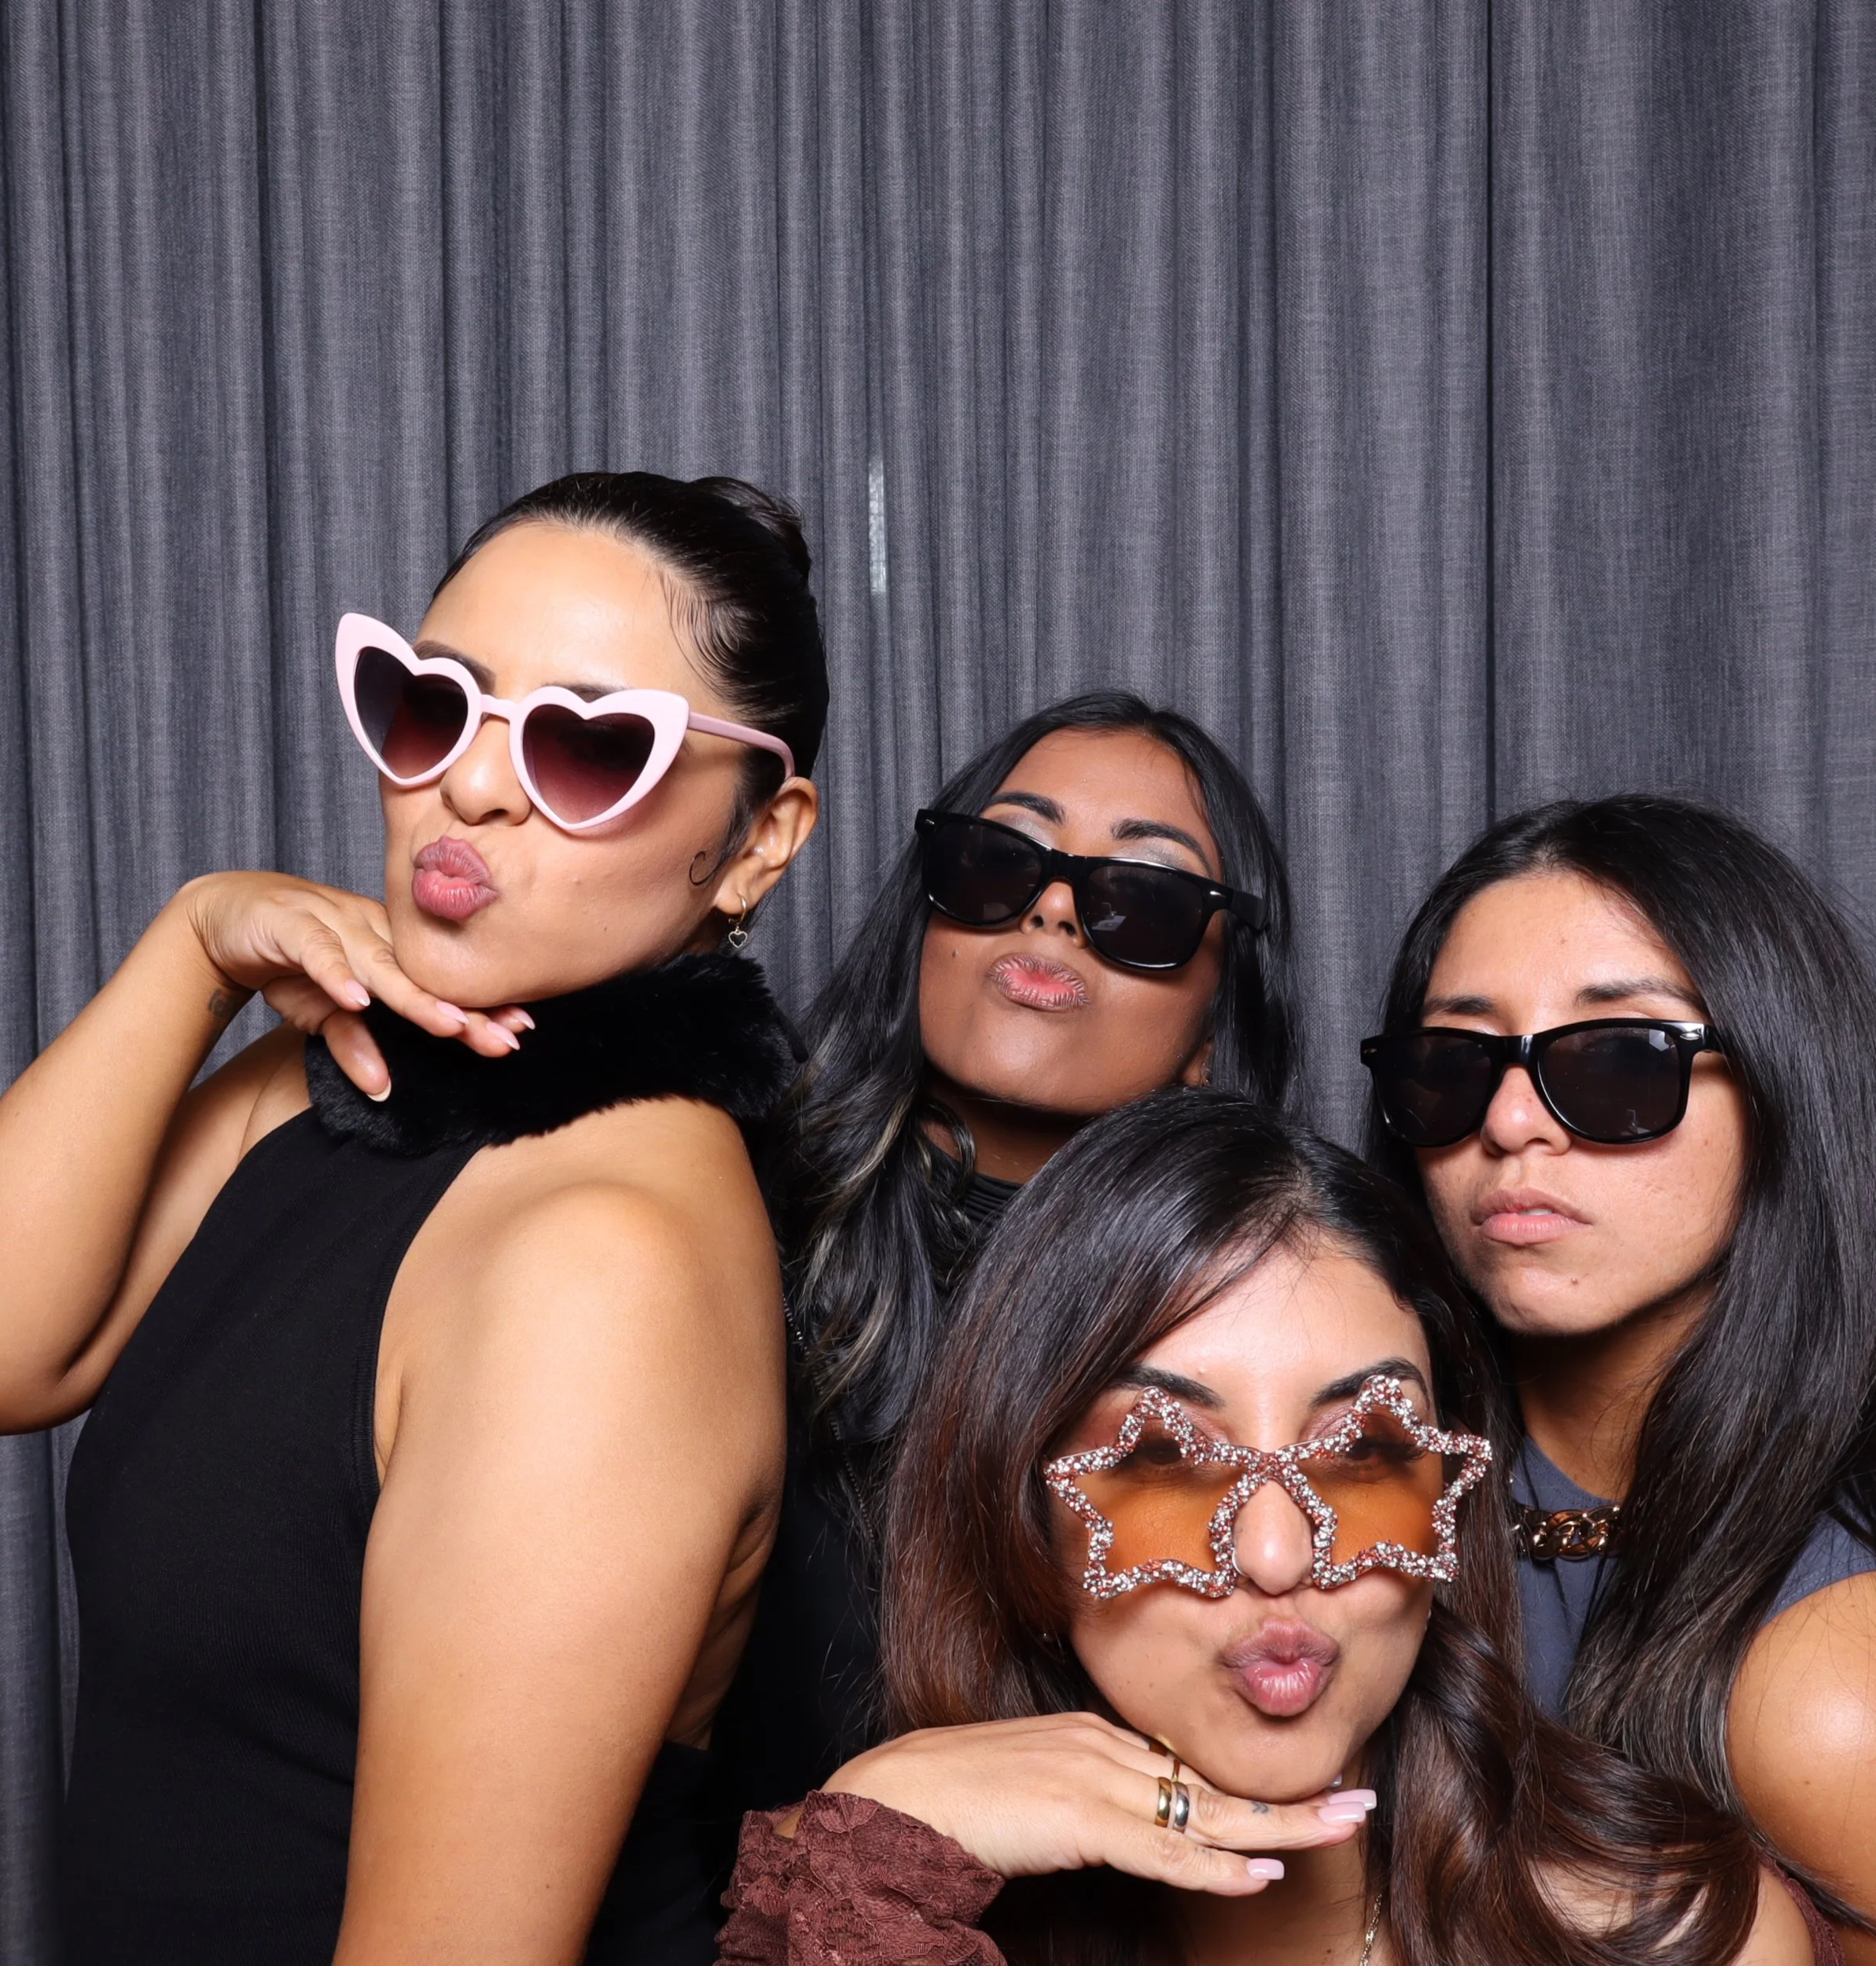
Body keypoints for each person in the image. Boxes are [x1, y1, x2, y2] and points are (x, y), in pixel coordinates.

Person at [0, 471, 825, 1964]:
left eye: (589, 745)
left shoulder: (606, 1264)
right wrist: (196, 941)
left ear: (762, 838)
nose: (467, 784)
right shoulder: (324, 1075)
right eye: (432, 703)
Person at [719, 1092, 1823, 1965]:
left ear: (1446, 1487)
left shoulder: (1672, 1938)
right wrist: (875, 1855)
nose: (1280, 1557)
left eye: (1362, 1452)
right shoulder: (874, 1902)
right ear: (1023, 1509)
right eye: (1163, 1461)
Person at [710, 694, 1298, 1820]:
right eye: (999, 861)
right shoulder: (719, 1212)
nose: (1056, 912)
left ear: (1213, 1036)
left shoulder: (1266, 1331)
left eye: (1146, 899)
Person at [1359, 794, 1876, 1953]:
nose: (1509, 1122)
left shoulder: (1839, 1689)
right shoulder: (1348, 1484)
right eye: (1455, 1061)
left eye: (1617, 1061)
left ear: (1783, 1089)